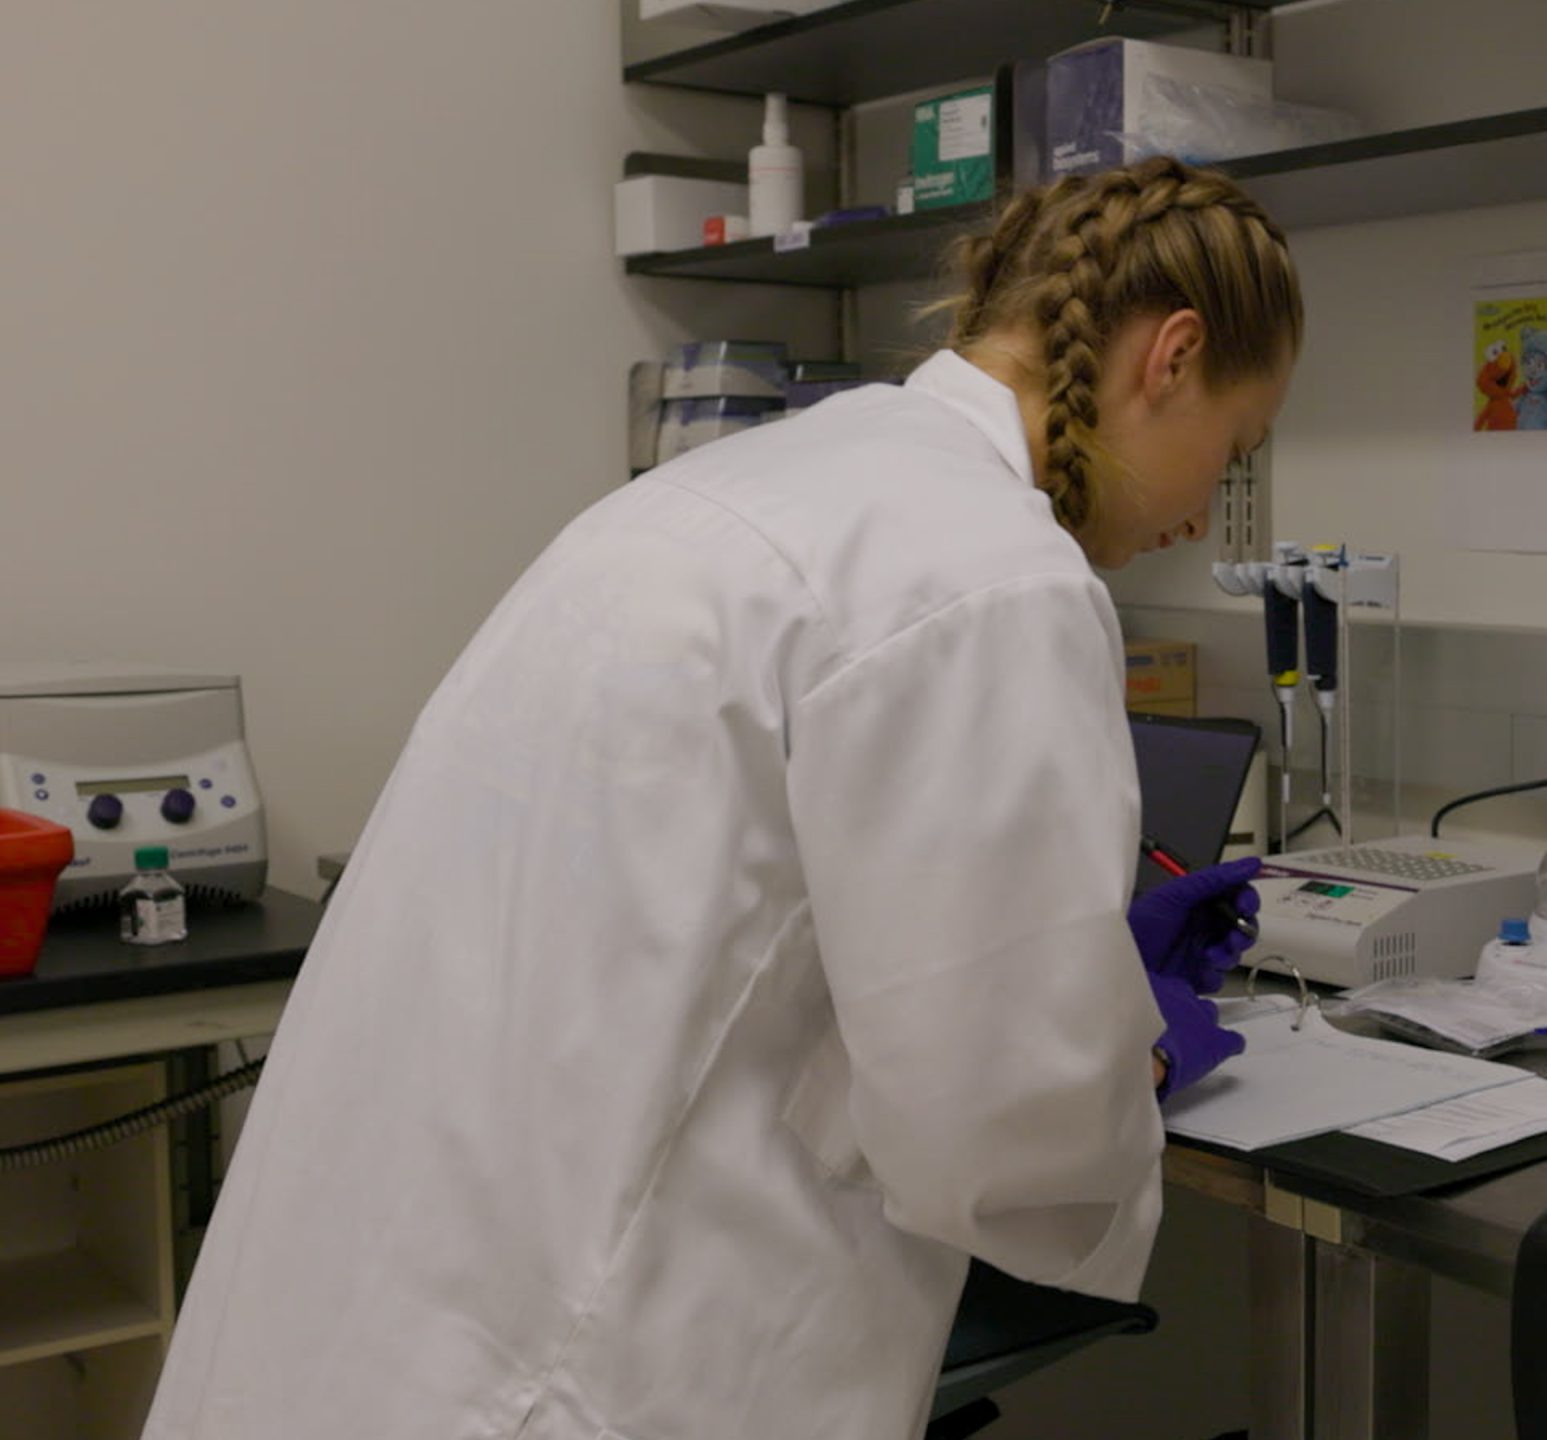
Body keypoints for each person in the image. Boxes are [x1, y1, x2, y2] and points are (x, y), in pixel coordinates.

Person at [142, 156, 1299, 1440]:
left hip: (377, 1316)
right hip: (593, 1363)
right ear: (1173, 355)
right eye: (1235, 448)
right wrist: (1114, 1050)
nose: (1207, 514)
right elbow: (1004, 1132)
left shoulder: (734, 492)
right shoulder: (991, 576)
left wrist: (1050, 986)